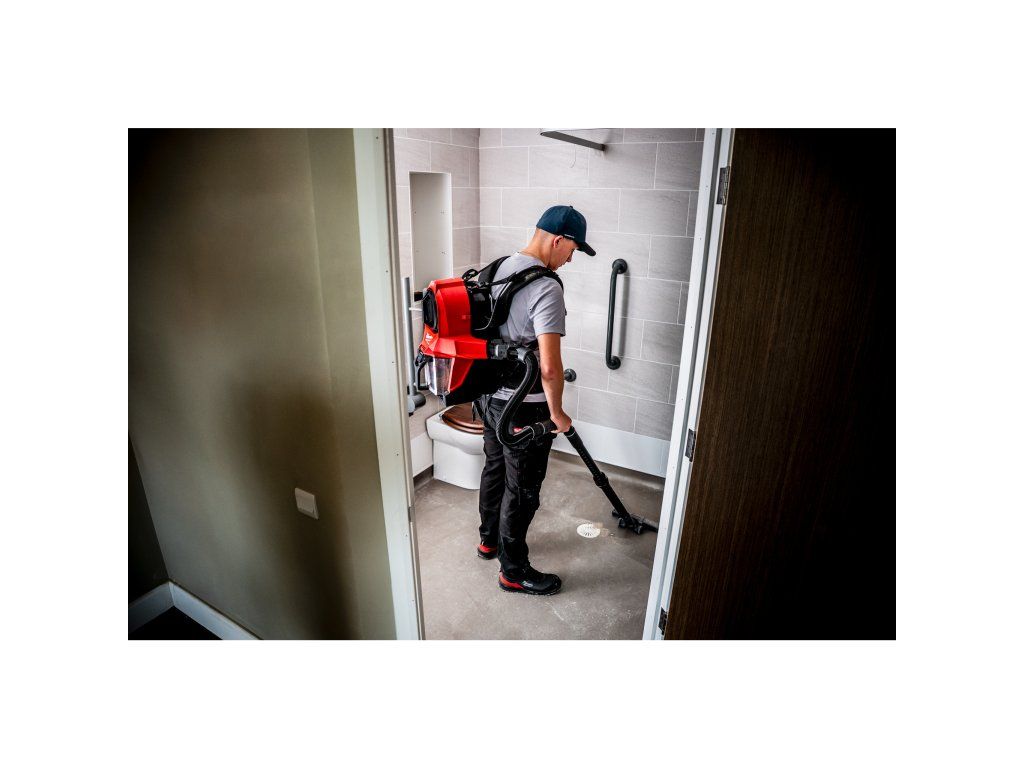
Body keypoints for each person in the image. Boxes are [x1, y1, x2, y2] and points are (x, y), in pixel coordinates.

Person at [475, 205, 596, 596]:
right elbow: (549, 367)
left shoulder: (496, 269)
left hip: (488, 397)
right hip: (524, 406)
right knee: (523, 488)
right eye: (573, 250)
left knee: (495, 467)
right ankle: (513, 570)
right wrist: (557, 413)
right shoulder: (546, 287)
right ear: (558, 240)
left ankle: (488, 540)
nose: (570, 260)